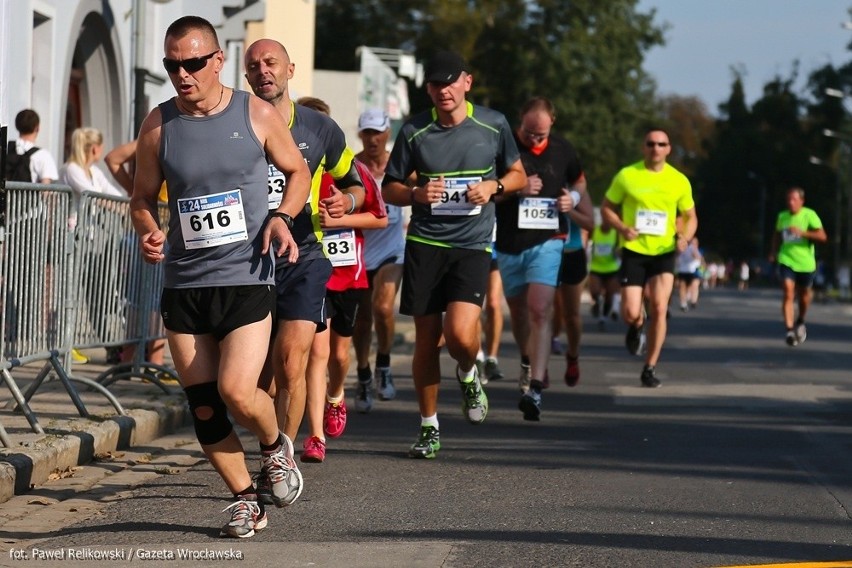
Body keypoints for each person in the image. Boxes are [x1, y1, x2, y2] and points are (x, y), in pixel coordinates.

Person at [130, 15, 311, 538]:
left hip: (246, 274)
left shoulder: (253, 113)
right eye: (171, 65)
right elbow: (142, 198)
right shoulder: (159, 124)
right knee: (205, 405)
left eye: (191, 64)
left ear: (216, 61)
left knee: (237, 390)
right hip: (184, 282)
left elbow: (297, 171)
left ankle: (275, 447)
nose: (181, 74)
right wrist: (148, 228)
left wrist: (281, 216)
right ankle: (243, 498)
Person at [382, 51, 526, 457]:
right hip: (426, 243)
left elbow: (519, 176)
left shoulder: (493, 124)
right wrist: (415, 193)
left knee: (462, 334)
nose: (442, 90)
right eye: (434, 84)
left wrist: (494, 187)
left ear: (467, 82)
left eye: (449, 82)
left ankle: (467, 372)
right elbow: (388, 187)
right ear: (426, 88)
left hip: (472, 244)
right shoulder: (414, 130)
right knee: (427, 340)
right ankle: (429, 427)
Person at [243, 39, 365, 466]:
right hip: (247, 260)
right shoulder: (231, 124)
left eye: (271, 62)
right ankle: (271, 438)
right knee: (259, 380)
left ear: (290, 69)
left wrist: (346, 203)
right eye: (254, 66)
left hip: (305, 256)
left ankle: (280, 459)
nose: (264, 71)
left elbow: (355, 183)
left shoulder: (320, 128)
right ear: (246, 77)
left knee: (291, 359)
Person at [296, 98, 387, 463]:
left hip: (348, 274)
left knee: (339, 354)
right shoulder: (294, 168)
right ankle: (315, 436)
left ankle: (336, 394)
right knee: (317, 353)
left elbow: (379, 218)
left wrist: (342, 219)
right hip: (312, 271)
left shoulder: (352, 171)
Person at [494, 96, 586, 421]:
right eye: (530, 133)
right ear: (521, 122)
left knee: (539, 309)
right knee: (518, 312)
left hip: (549, 239)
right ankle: (526, 359)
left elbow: (579, 181)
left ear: (552, 125)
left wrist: (571, 200)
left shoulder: (562, 149)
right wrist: (515, 190)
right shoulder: (503, 147)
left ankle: (535, 387)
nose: (536, 139)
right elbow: (489, 189)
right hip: (508, 242)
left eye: (541, 134)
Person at [601, 127, 697, 388]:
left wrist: (684, 237)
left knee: (660, 307)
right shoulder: (627, 175)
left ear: (668, 149)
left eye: (661, 144)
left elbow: (691, 217)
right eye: (651, 143)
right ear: (644, 147)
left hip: (663, 253)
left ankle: (650, 367)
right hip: (634, 250)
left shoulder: (678, 180)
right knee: (631, 312)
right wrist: (622, 228)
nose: (656, 148)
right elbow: (607, 208)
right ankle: (636, 326)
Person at [351, 108, 407, 410]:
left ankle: (383, 364)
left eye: (378, 132)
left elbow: (419, 188)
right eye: (367, 133)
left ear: (388, 133)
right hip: (359, 251)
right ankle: (362, 373)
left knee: (383, 306)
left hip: (392, 250)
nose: (373, 139)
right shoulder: (353, 165)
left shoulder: (399, 163)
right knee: (361, 320)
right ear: (361, 134)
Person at [60, 127, 128, 364]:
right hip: (74, 239)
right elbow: (93, 196)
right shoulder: (72, 169)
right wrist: (117, 206)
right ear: (93, 147)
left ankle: (109, 344)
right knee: (70, 293)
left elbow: (114, 194)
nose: (102, 149)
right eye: (100, 145)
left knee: (97, 293)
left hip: (93, 240)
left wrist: (129, 206)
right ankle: (64, 345)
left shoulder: (94, 171)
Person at [104, 139, 170, 371]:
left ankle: (134, 360)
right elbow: (112, 158)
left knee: (143, 297)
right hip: (159, 228)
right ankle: (152, 362)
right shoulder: (158, 136)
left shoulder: (159, 137)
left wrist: (133, 191)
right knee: (150, 297)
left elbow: (112, 159)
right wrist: (134, 192)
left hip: (152, 227)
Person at [768, 187, 827, 346]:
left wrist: (803, 233)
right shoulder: (782, 216)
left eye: (794, 199)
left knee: (804, 295)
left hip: (806, 263)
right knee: (788, 291)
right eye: (788, 199)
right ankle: (789, 329)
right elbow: (777, 235)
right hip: (786, 259)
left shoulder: (810, 215)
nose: (790, 202)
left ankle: (800, 320)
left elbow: (822, 236)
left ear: (801, 201)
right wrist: (773, 252)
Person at [588, 217, 622, 331]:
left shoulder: (615, 233)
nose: (608, 223)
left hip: (611, 268)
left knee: (610, 295)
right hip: (596, 267)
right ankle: (596, 303)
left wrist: (618, 252)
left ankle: (603, 317)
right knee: (594, 291)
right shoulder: (595, 231)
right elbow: (588, 244)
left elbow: (620, 248)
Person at [8, 109, 59, 183]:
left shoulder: (6, 150)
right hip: (26, 194)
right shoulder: (43, 155)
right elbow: (46, 190)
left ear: (16, 126)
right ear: (37, 128)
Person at [675, 236, 703, 311]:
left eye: (696, 242)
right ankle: (683, 304)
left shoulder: (692, 248)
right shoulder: (681, 247)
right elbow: (676, 256)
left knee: (693, 286)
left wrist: (694, 253)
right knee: (682, 287)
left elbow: (699, 257)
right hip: (682, 270)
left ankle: (693, 300)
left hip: (692, 270)